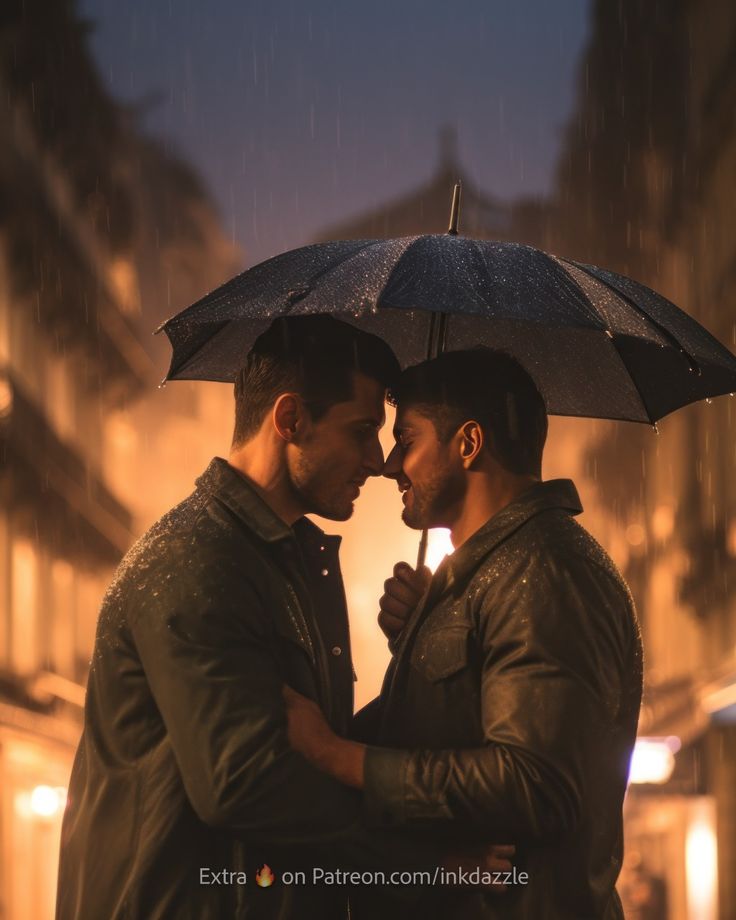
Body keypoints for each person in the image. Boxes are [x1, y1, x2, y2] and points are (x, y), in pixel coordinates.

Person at [57, 316, 500, 920]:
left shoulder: (291, 561)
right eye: (364, 431)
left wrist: (425, 646)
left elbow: (322, 744)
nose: (378, 461)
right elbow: (241, 782)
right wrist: (422, 858)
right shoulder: (199, 558)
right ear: (290, 420)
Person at [285, 347, 644, 919]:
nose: (389, 465)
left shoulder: (545, 571)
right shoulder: (487, 573)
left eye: (407, 439)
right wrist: (419, 642)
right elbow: (468, 727)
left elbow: (535, 784)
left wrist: (338, 755)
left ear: (469, 444)